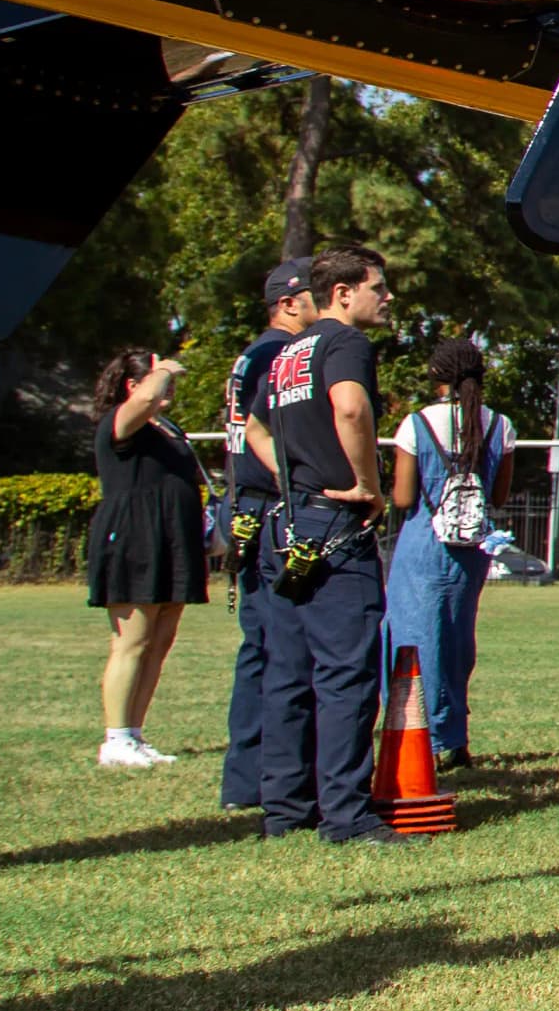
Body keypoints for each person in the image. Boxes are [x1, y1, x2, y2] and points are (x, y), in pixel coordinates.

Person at [240, 245, 399, 846]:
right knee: (346, 673)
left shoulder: (288, 352)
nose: (386, 298)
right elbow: (351, 406)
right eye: (377, 287)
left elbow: (254, 426)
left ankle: (284, 810)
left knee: (287, 671)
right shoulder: (344, 343)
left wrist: (289, 477)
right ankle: (347, 815)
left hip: (285, 524)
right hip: (335, 525)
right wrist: (366, 482)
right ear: (343, 294)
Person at [379, 334, 510, 770]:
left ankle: (420, 734)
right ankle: (454, 734)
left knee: (413, 640)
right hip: (471, 548)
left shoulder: (417, 424)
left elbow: (402, 497)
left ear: (437, 376)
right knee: (456, 641)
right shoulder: (499, 425)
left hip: (424, 541)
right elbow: (501, 494)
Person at [81, 344, 205, 769]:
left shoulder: (165, 426)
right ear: (134, 384)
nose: (168, 384)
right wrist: (165, 367)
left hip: (171, 538)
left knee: (159, 641)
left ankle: (133, 733)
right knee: (131, 642)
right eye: (157, 376)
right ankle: (114, 738)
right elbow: (145, 400)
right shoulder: (120, 422)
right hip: (133, 536)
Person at [217, 262, 312, 812]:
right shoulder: (279, 354)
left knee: (258, 647)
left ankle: (245, 780)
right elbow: (267, 432)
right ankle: (276, 780)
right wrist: (296, 483)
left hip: (243, 503)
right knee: (281, 648)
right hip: (266, 504)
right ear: (288, 303)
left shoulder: (251, 353)